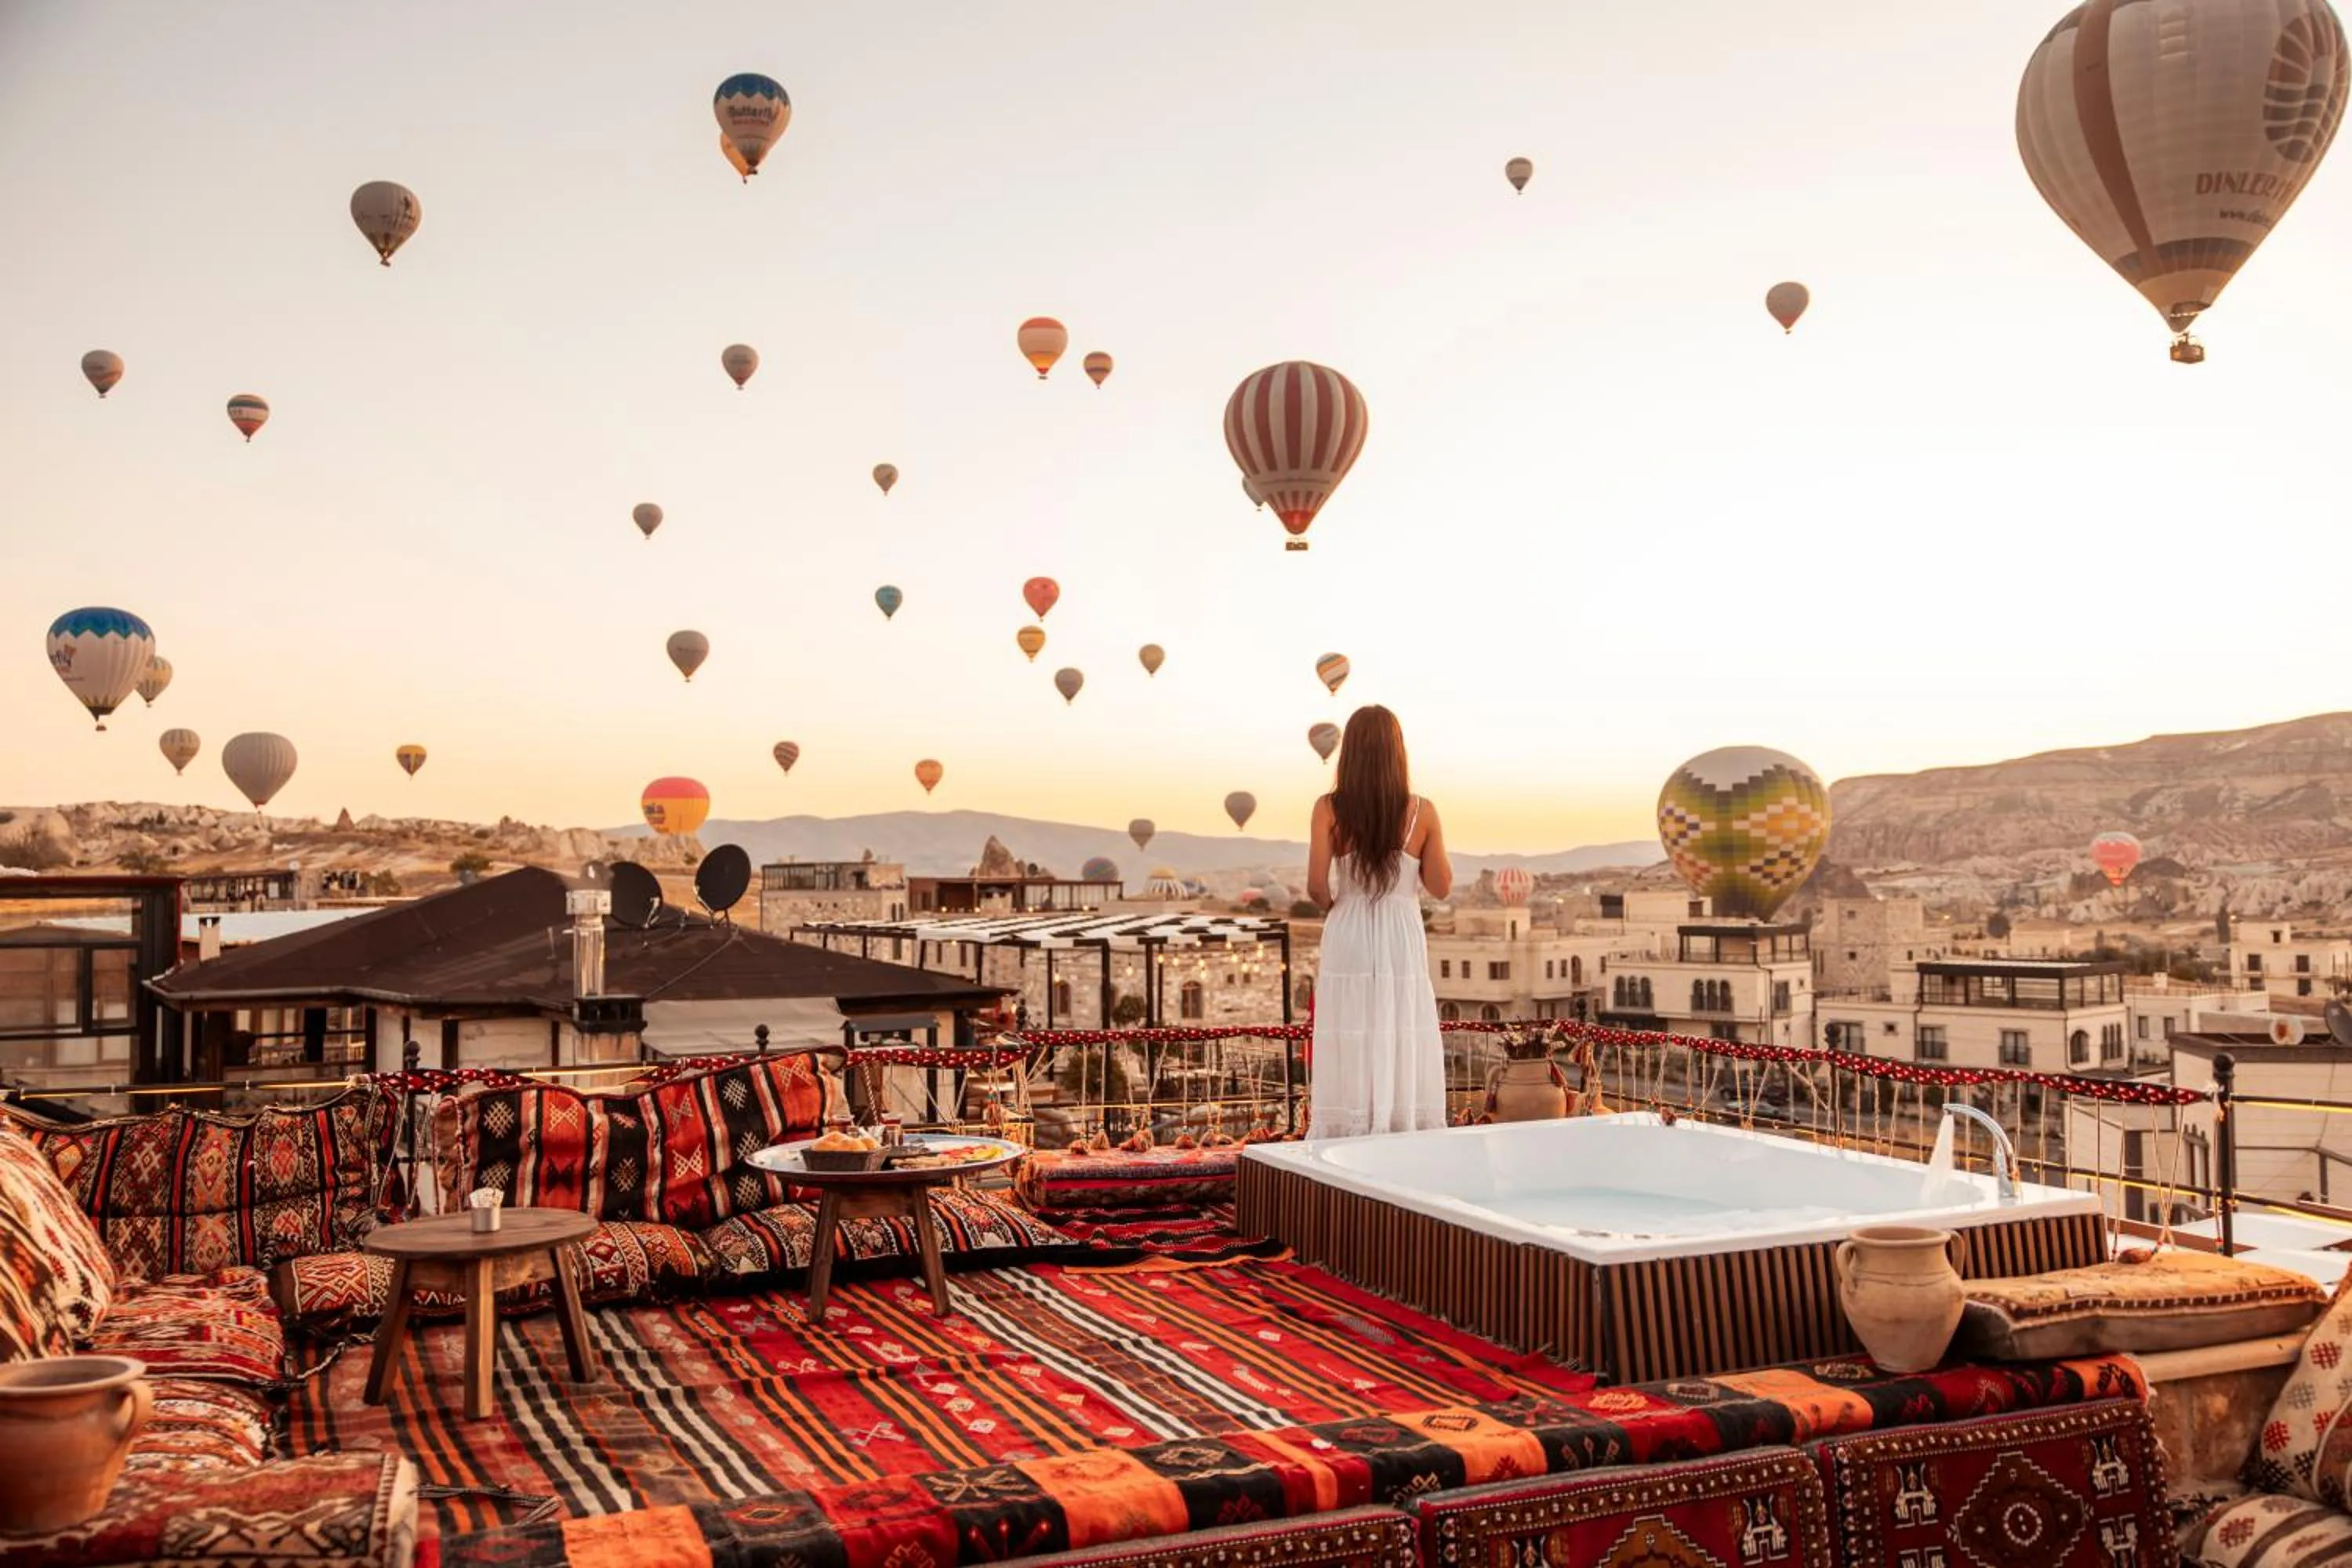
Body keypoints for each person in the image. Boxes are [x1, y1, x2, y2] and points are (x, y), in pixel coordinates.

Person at [1305, 704, 1452, 1138]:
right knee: (1400, 1021)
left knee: (1351, 1024)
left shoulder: (1328, 808)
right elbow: (1440, 886)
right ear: (1397, 752)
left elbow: (1316, 886)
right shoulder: (1422, 811)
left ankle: (1347, 1126)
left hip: (1348, 923)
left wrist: (1343, 907)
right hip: (1400, 927)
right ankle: (1400, 1123)